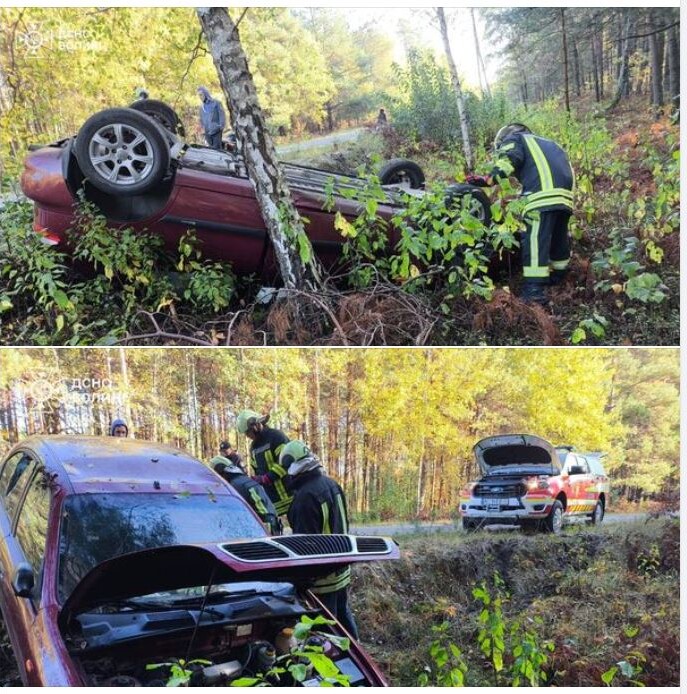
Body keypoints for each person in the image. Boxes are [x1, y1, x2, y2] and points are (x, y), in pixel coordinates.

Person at [467, 123, 575, 304]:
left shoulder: (515, 139)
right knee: (558, 237)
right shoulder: (549, 144)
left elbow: (509, 159)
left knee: (534, 240)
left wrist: (489, 179)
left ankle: (534, 291)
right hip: (564, 197)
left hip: (542, 196)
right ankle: (560, 274)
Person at [280, 440, 359, 639]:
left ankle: (330, 667)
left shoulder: (305, 497)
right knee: (343, 617)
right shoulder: (331, 484)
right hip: (342, 569)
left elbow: (305, 547)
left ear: (293, 466)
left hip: (322, 578)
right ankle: (358, 656)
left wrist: (299, 582)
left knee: (324, 631)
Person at [236, 410, 292, 516]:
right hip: (273, 500)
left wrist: (266, 478)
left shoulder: (276, 436)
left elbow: (285, 462)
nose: (247, 436)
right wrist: (256, 479)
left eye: (248, 432)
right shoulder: (253, 448)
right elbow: (257, 469)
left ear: (255, 425)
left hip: (291, 494)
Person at [210, 456, 281, 535]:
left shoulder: (234, 486)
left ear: (220, 472)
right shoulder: (243, 480)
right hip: (269, 523)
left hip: (262, 527)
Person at [197, 86, 226, 150]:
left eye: (201, 95)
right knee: (211, 150)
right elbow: (201, 119)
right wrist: (203, 128)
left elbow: (222, 115)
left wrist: (220, 127)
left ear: (206, 93)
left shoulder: (216, 103)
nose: (200, 97)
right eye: (199, 95)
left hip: (216, 131)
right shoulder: (201, 108)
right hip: (207, 133)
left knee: (217, 150)